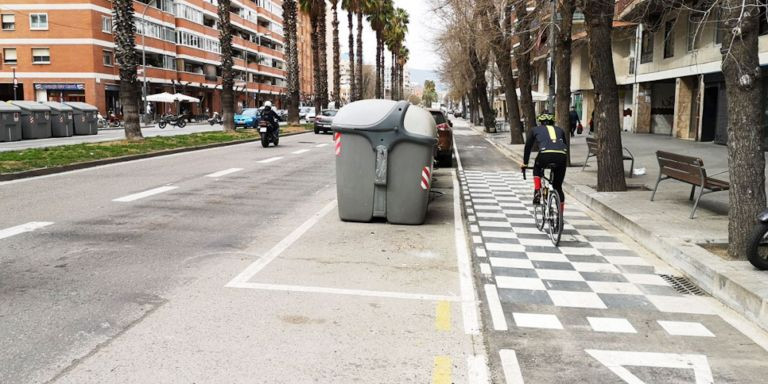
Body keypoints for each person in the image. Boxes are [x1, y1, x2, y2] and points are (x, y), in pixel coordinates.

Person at [521, 112, 568, 211]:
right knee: (558, 186)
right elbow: (565, 145)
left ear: (540, 122)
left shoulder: (535, 130)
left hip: (544, 155)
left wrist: (525, 163)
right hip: (561, 156)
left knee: (537, 168)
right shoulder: (560, 130)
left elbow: (528, 147)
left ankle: (537, 190)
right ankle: (560, 216)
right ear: (553, 122)